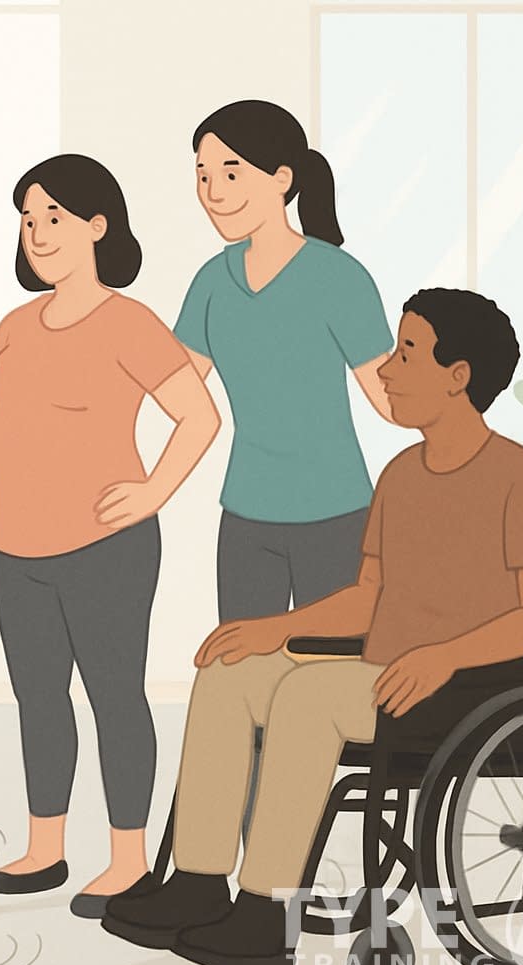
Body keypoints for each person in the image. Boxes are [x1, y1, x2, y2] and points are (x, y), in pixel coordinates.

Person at [102, 288, 523, 965]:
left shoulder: (522, 479)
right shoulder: (401, 476)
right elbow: (367, 600)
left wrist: (444, 656)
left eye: (407, 353)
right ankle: (200, 881)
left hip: (473, 691)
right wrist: (274, 628)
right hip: (382, 677)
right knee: (232, 671)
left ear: (459, 376)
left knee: (309, 695)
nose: (385, 372)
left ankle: (266, 913)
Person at [0, 154, 220, 918]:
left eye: (55, 218)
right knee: (37, 697)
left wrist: (151, 493)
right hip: (15, 546)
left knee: (113, 696)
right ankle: (46, 848)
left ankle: (126, 859)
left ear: (97, 227)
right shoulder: (14, 327)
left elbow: (199, 418)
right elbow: (7, 422)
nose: (38, 233)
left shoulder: (128, 322)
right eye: (28, 219)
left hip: (103, 547)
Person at [176, 99, 396, 625]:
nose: (214, 192)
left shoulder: (338, 278)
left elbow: (391, 401)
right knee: (242, 680)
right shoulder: (211, 282)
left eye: (231, 173)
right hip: (247, 518)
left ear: (282, 178)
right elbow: (172, 389)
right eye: (203, 176)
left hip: (337, 516)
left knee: (331, 680)